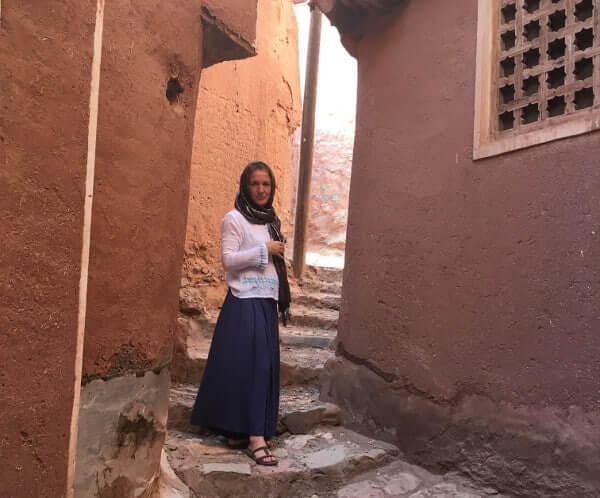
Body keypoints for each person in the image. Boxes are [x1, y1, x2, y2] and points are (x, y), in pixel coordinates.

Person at [190, 161, 291, 466]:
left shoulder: (271, 220)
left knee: (259, 366)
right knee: (252, 367)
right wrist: (265, 251)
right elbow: (228, 260)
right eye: (255, 184)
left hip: (267, 299)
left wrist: (274, 252)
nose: (261, 190)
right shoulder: (233, 219)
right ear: (245, 186)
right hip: (244, 299)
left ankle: (239, 429)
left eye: (266, 185)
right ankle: (256, 438)